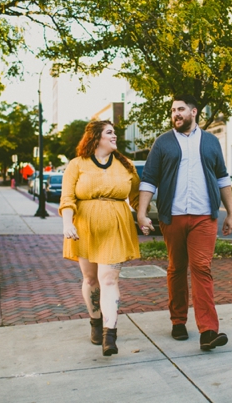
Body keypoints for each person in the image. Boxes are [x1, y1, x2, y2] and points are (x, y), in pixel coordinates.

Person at [136, 95, 232, 352]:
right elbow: (149, 179)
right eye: (172, 110)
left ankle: (208, 331)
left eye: (180, 109)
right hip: (174, 216)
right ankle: (178, 320)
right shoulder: (163, 143)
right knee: (177, 267)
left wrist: (231, 213)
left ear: (193, 112)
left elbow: (223, 178)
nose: (176, 114)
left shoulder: (211, 142)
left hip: (205, 216)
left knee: (202, 268)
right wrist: (142, 212)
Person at [59, 120, 141, 357]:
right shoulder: (77, 165)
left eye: (114, 132)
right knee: (90, 279)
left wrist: (144, 217)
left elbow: (136, 197)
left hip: (116, 227)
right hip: (84, 228)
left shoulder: (126, 166)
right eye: (109, 132)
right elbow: (67, 199)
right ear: (95, 138)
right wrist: (67, 223)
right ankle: (95, 321)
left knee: (108, 280)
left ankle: (109, 334)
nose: (114, 136)